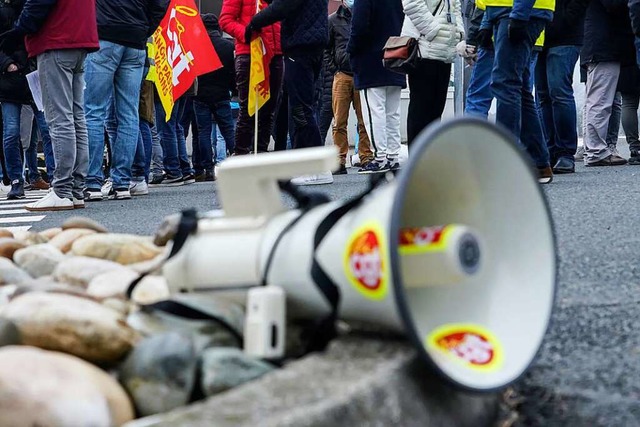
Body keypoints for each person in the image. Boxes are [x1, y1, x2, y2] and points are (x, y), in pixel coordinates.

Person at [10, 0, 99, 211]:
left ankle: (61, 190)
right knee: (77, 118)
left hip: (56, 39)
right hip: (80, 39)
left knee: (59, 119)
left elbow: (38, 5)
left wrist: (19, 30)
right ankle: (76, 189)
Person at [83, 0, 166, 201]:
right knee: (129, 114)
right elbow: (161, 4)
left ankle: (92, 182)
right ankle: (122, 183)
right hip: (135, 40)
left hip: (104, 34)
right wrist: (144, 28)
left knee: (94, 112)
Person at [248, 0, 331, 185]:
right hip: (313, 45)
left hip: (299, 46)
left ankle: (317, 167)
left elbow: (282, 6)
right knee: (304, 108)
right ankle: (309, 166)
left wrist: (255, 22)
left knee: (301, 110)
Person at [482, 0, 555, 183]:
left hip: (518, 11)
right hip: (509, 12)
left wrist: (519, 14)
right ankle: (539, 164)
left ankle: (507, 162)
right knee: (517, 87)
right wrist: (487, 19)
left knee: (506, 84)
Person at [0, 0, 52, 200]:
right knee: (13, 133)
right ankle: (16, 180)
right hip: (15, 76)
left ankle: (51, 177)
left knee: (46, 130)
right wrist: (7, 63)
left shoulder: (32, 5)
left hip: (30, 73)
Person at [348, 0, 406, 174]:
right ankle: (393, 156)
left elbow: (359, 28)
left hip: (370, 62)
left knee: (374, 113)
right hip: (395, 58)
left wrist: (350, 49)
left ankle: (380, 157)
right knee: (392, 113)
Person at [220, 0, 283, 156]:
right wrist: (245, 32)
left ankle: (260, 151)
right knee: (249, 108)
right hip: (250, 53)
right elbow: (225, 20)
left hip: (275, 54)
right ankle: (241, 154)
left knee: (269, 108)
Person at [534, 0, 588, 174]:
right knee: (542, 95)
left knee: (558, 91)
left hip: (566, 35)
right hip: (537, 33)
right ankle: (549, 152)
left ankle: (565, 153)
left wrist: (566, 19)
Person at [402, 0, 464, 145]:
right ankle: (417, 161)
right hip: (424, 51)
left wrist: (459, 33)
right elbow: (411, 3)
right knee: (420, 111)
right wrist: (433, 30)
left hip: (445, 53)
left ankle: (430, 158)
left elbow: (455, 7)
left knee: (436, 112)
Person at [581, 0, 634, 166]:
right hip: (604, 46)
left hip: (597, 45)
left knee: (595, 101)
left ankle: (593, 149)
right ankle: (596, 151)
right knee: (600, 101)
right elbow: (614, 4)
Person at [327, 0, 374, 174]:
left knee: (365, 121)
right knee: (339, 121)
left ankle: (366, 157)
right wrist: (334, 69)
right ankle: (339, 160)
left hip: (362, 74)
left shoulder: (366, 16)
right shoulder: (333, 20)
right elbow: (327, 48)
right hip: (342, 76)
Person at [193, 14, 235, 182]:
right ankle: (236, 161)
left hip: (201, 95)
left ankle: (208, 169)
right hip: (222, 94)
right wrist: (233, 89)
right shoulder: (227, 46)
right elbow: (233, 72)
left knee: (203, 132)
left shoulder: (196, 46)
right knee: (228, 130)